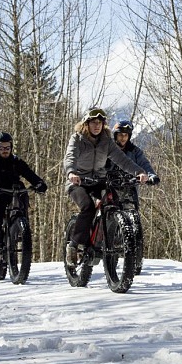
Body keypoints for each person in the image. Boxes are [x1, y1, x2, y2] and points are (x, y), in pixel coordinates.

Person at [63, 108, 149, 266]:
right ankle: (74, 245)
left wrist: (139, 172)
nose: (97, 126)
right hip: (78, 181)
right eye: (94, 122)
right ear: (86, 124)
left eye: (100, 123)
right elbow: (70, 157)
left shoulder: (106, 141)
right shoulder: (77, 139)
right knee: (88, 207)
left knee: (113, 202)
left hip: (99, 180)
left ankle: (107, 240)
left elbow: (122, 160)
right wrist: (71, 173)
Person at [0, 132, 47, 274]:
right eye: (1, 148)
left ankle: (21, 228)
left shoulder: (16, 161)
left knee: (23, 197)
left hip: (13, 191)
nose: (5, 150)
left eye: (7, 147)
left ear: (11, 147)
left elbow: (29, 174)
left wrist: (39, 183)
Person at [107, 119, 160, 207]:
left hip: (129, 188)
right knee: (100, 210)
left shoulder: (134, 151)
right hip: (108, 187)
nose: (123, 138)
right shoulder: (108, 149)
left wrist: (151, 176)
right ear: (116, 136)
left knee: (133, 216)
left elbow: (144, 164)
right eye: (120, 135)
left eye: (125, 135)